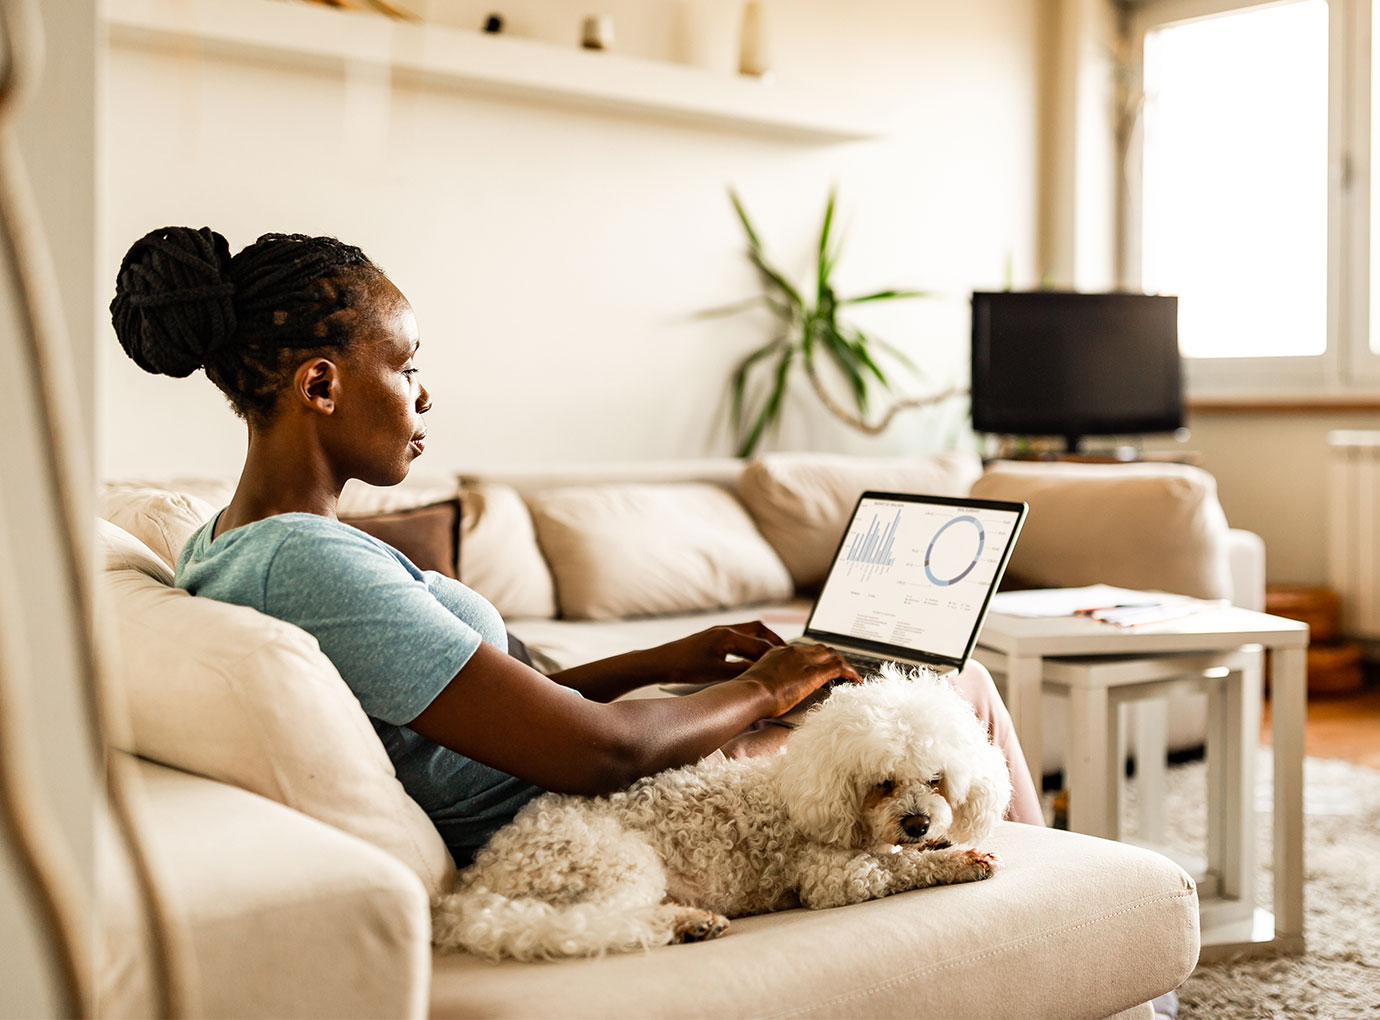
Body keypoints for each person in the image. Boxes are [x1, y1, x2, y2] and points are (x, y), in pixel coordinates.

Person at [109, 227, 1042, 868]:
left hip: (566, 780)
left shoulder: (225, 544)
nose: (422, 396)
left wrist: (663, 660)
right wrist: (767, 688)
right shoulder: (306, 564)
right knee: (951, 688)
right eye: (406, 365)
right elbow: (591, 754)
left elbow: (493, 710)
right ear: (321, 384)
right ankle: (1074, 931)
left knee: (889, 684)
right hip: (586, 814)